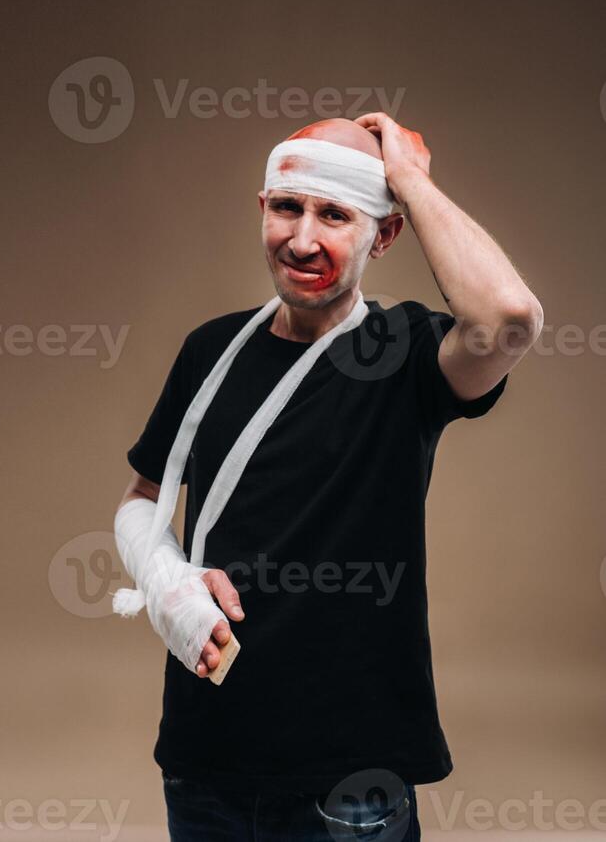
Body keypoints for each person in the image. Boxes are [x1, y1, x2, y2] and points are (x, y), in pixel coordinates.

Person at [114, 113, 543, 841]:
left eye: (336, 215)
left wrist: (407, 178)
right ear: (262, 209)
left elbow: (509, 319)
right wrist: (166, 581)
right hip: (203, 762)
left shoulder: (405, 353)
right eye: (288, 207)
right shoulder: (210, 349)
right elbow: (142, 501)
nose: (303, 239)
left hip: (349, 785)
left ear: (384, 234)